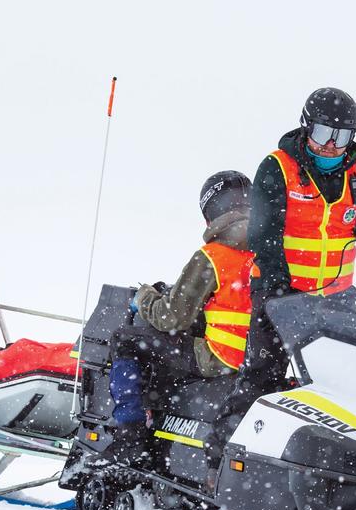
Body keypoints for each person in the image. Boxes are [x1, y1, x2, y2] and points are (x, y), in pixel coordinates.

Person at [205, 88, 356, 463]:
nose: (331, 145)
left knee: (353, 383)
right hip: (279, 297)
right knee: (261, 379)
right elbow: (265, 235)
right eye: (322, 133)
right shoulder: (277, 168)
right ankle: (219, 464)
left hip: (336, 299)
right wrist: (282, 295)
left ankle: (350, 467)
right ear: (305, 128)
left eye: (341, 136)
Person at [105, 171, 257, 464]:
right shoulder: (267, 252)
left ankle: (130, 434)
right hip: (256, 358)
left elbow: (172, 318)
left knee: (125, 340)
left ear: (210, 215)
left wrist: (145, 298)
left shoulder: (214, 255)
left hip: (219, 358)